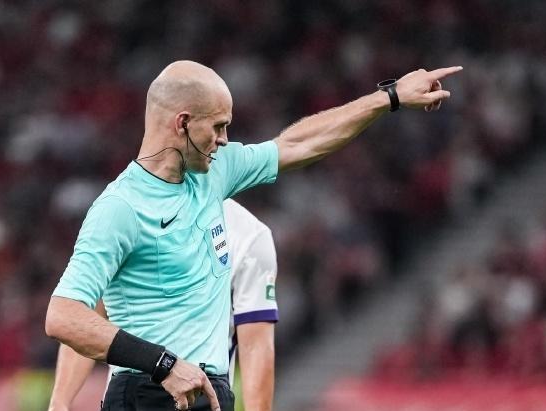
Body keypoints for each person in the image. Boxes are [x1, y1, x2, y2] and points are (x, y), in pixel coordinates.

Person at [45, 60, 462, 411]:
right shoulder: (120, 208)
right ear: (182, 123)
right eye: (218, 127)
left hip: (208, 392)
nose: (224, 139)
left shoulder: (214, 172)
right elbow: (63, 315)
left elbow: (299, 143)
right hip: (149, 392)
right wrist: (162, 364)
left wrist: (388, 98)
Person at [47, 199, 278, 411]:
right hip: (128, 400)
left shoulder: (248, 237)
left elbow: (255, 347)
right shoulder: (129, 212)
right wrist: (59, 403)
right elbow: (88, 315)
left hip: (200, 401)